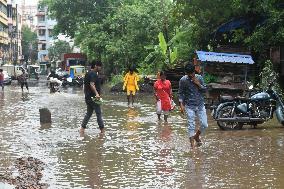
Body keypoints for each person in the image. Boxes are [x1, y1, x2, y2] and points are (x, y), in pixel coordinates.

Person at [178, 64, 208, 148]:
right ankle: (192, 146)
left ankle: (197, 136)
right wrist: (181, 105)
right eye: (189, 74)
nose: (191, 75)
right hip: (189, 106)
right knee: (191, 125)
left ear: (194, 71)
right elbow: (180, 93)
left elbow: (204, 90)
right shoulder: (183, 80)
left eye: (192, 73)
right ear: (186, 73)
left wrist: (198, 84)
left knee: (204, 124)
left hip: (200, 105)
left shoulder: (199, 78)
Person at [80, 61, 104, 134]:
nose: (100, 68)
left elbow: (85, 86)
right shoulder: (93, 74)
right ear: (96, 66)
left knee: (89, 113)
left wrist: (86, 95)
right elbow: (92, 84)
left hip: (88, 98)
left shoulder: (87, 73)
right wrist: (97, 94)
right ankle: (102, 130)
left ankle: (82, 129)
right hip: (94, 98)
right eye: (100, 66)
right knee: (98, 113)